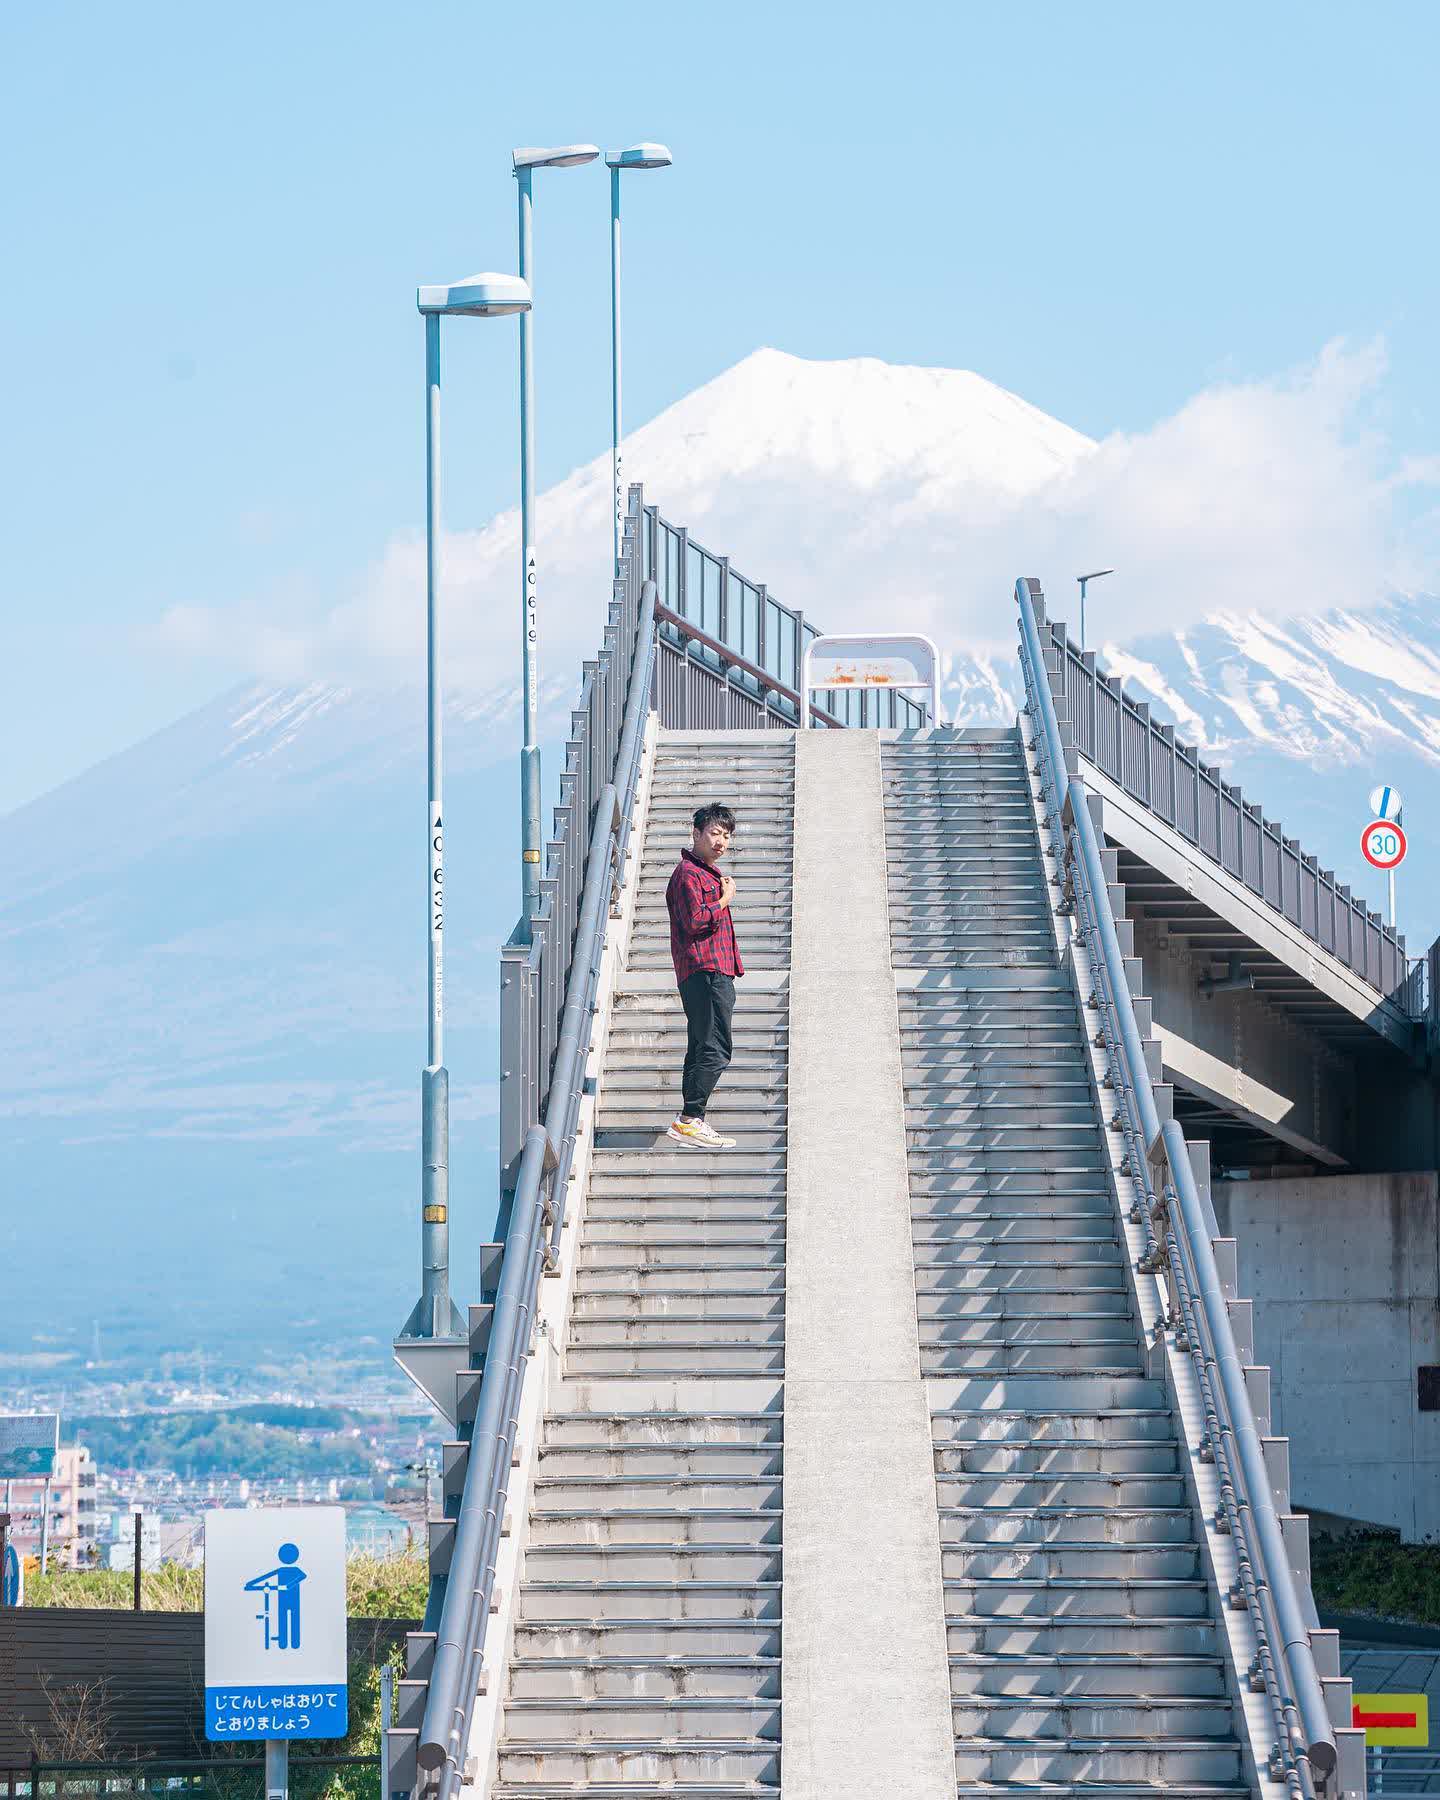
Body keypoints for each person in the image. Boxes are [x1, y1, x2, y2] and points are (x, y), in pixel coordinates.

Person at [664, 802, 744, 1149]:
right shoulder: (688, 874)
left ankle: (690, 1119)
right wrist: (725, 899)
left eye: (726, 836)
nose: (721, 842)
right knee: (715, 1047)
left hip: (710, 969)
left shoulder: (704, 874)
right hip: (705, 970)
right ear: (696, 834)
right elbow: (695, 920)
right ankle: (690, 1118)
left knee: (700, 1046)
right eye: (714, 833)